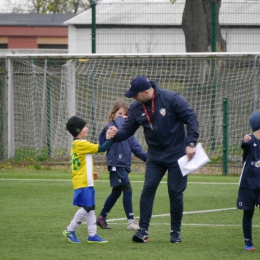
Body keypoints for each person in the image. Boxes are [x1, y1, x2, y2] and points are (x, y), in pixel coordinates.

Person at [106, 76, 199, 243]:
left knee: (175, 192)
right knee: (148, 189)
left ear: (146, 92)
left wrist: (191, 142)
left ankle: (175, 231)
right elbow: (127, 131)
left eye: (135, 95)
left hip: (177, 155)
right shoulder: (136, 108)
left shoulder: (172, 99)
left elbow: (191, 118)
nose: (133, 98)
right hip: (155, 156)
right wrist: (115, 134)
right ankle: (143, 231)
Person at [63, 115, 116, 244]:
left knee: (91, 207)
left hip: (86, 180)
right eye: (84, 127)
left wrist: (90, 173)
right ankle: (70, 230)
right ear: (77, 130)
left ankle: (92, 235)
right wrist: (111, 137)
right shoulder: (81, 143)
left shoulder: (78, 144)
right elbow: (102, 148)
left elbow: (81, 162)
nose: (87, 128)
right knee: (87, 207)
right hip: (83, 182)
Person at [96, 100, 147, 231]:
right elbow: (104, 140)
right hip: (116, 164)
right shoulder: (111, 128)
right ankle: (131, 221)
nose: (123, 117)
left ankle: (102, 217)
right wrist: (120, 120)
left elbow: (138, 150)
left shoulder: (127, 133)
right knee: (127, 189)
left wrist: (152, 159)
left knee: (117, 192)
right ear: (113, 114)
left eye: (125, 115)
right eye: (120, 114)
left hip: (123, 165)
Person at [236, 111, 260, 251]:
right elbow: (244, 145)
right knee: (248, 212)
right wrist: (245, 142)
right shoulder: (249, 140)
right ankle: (248, 242)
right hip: (248, 184)